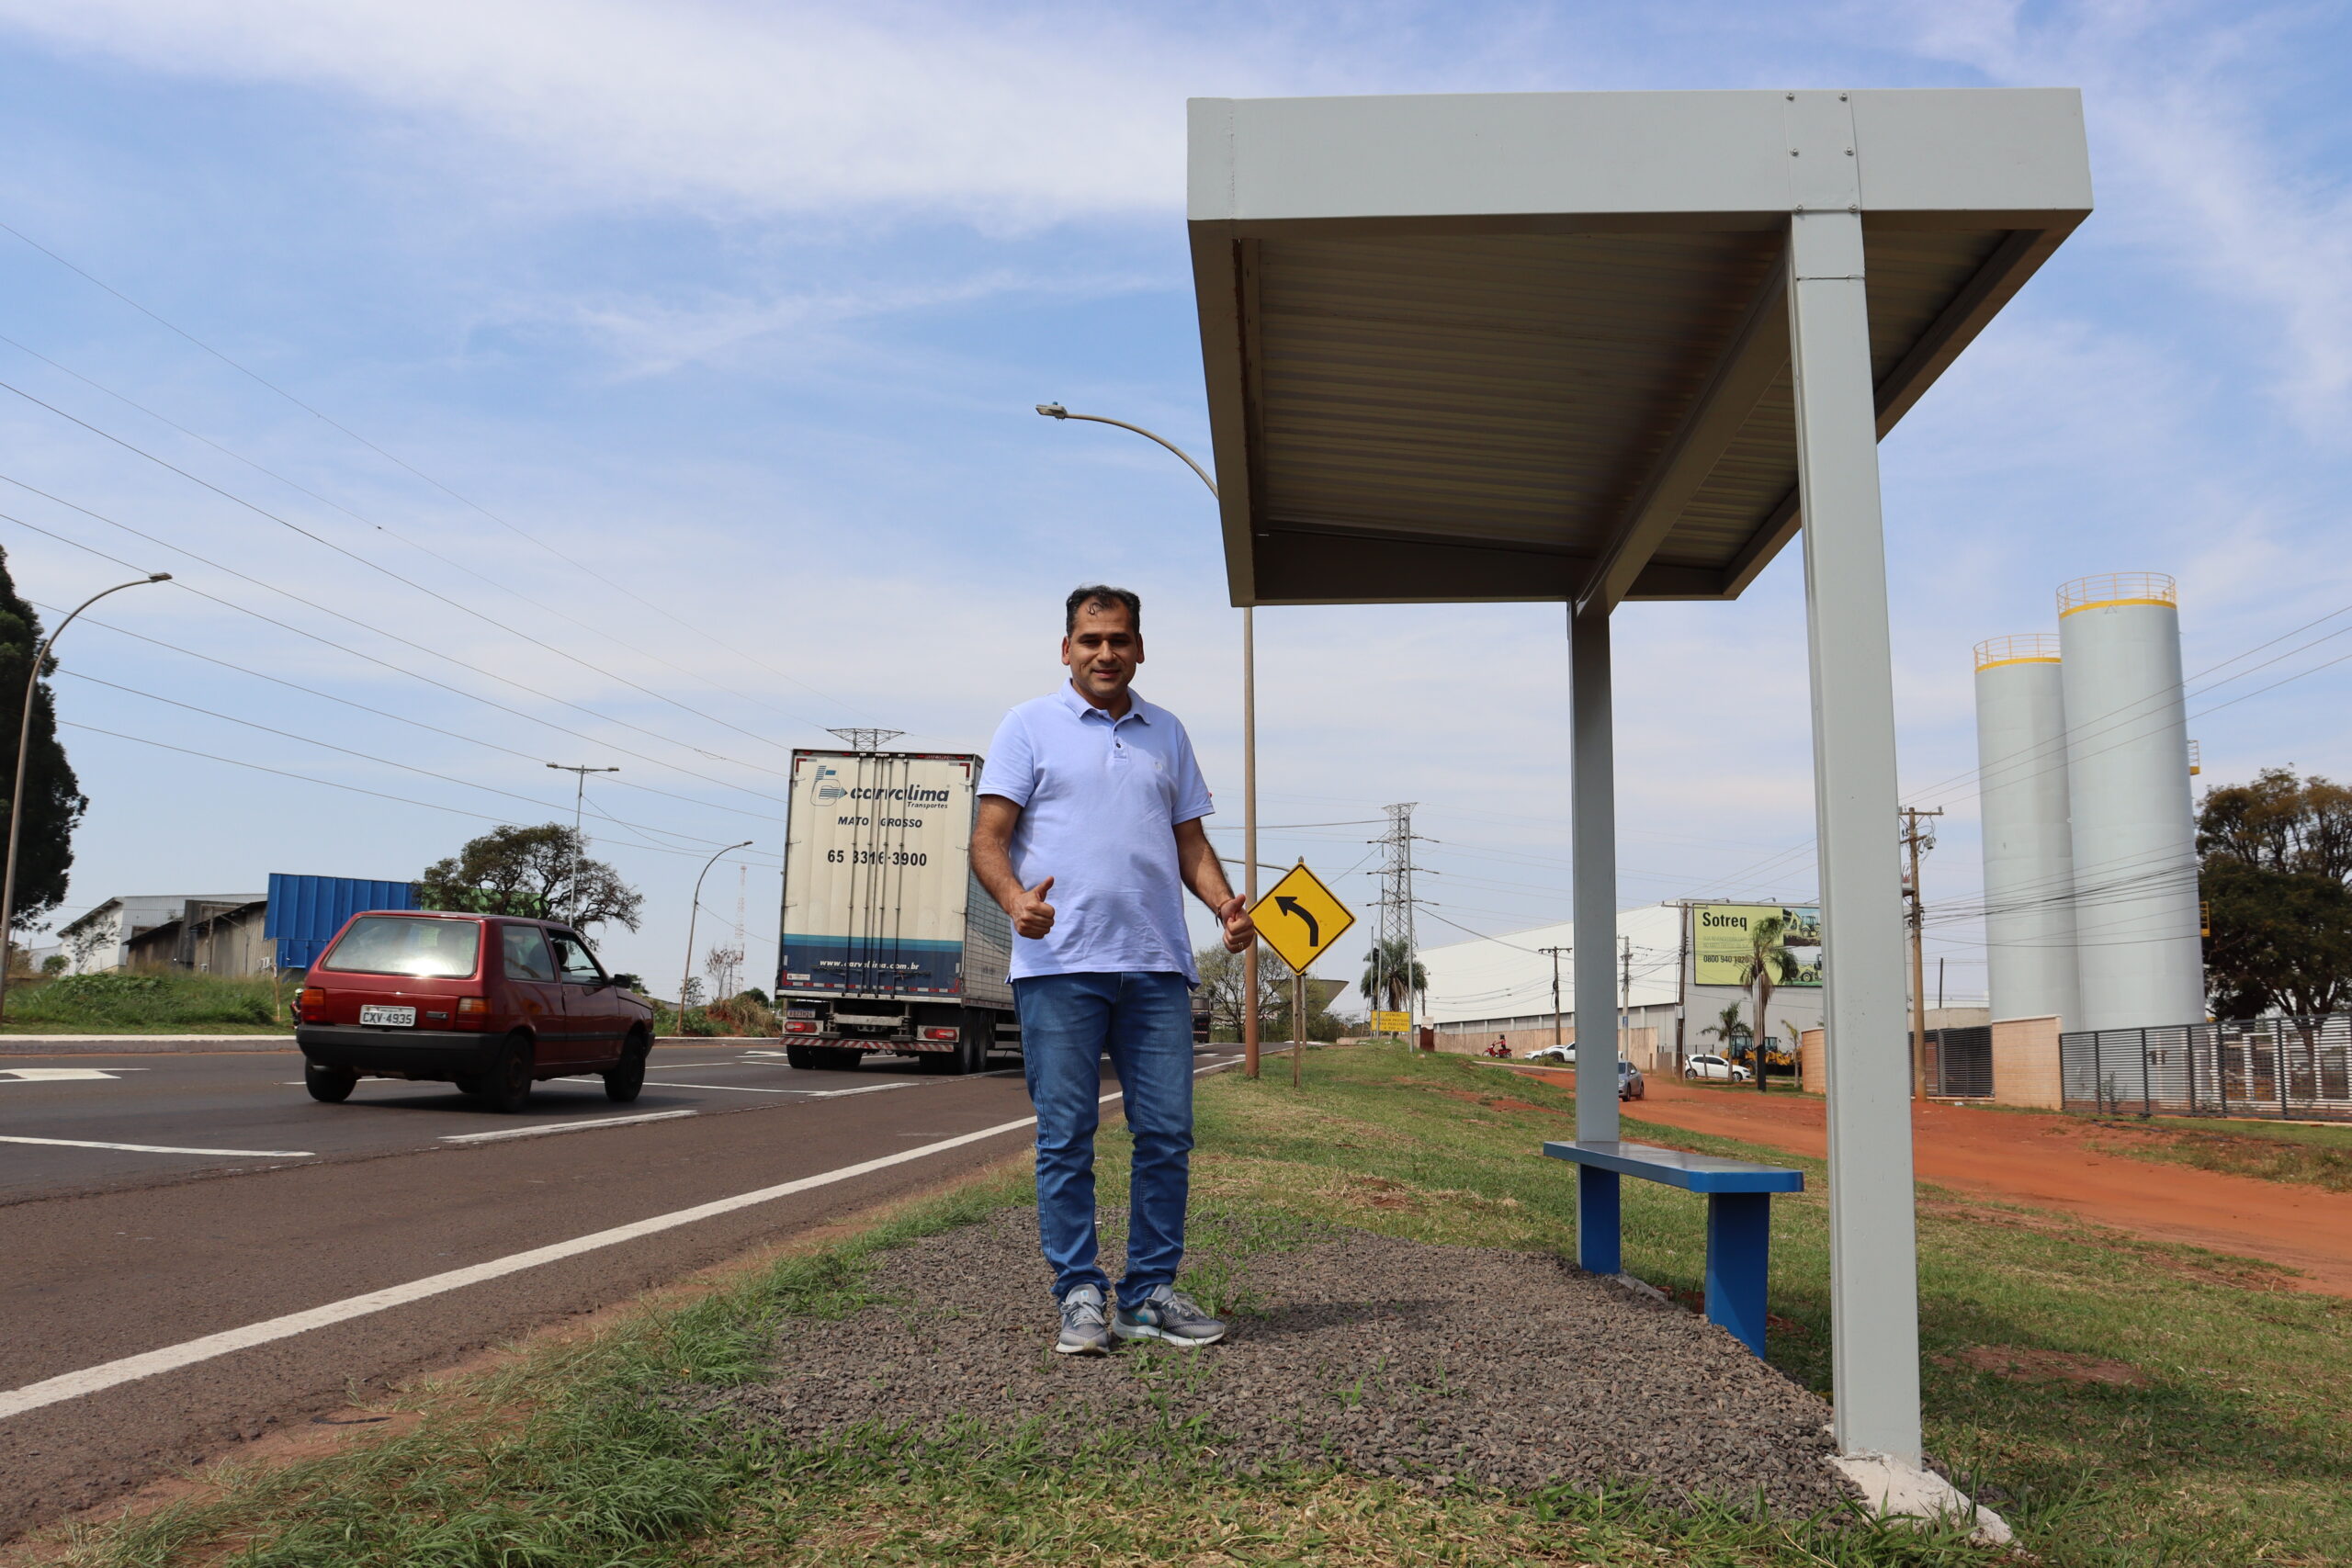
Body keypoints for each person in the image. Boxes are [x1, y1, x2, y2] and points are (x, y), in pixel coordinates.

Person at [971, 585, 1255, 1357]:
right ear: (1066, 648)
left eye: (1120, 639)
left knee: (1166, 1134)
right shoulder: (1028, 726)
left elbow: (1189, 842)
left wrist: (1226, 905)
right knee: (1068, 1134)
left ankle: (1148, 1293)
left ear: (1139, 648)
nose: (1106, 653)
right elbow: (988, 839)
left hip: (1156, 965)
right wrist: (1013, 900)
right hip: (1060, 965)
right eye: (1091, 639)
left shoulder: (1168, 732)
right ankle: (1080, 1294)